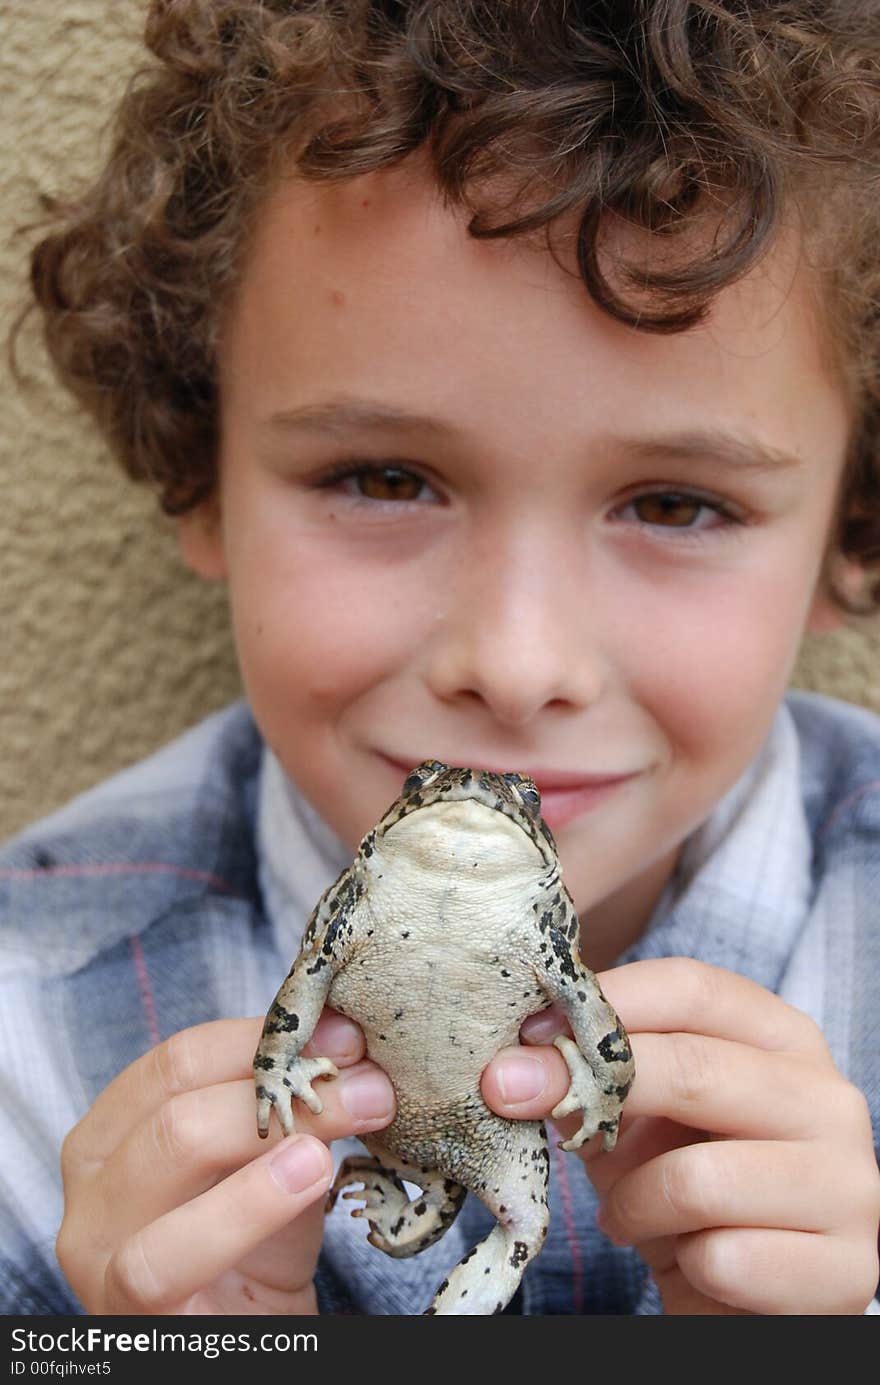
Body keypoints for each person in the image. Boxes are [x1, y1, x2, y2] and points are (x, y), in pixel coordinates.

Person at [2, 0, 879, 1317]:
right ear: (202, 469)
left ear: (847, 518)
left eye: (676, 503)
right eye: (387, 476)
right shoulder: (27, 1033)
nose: (519, 665)